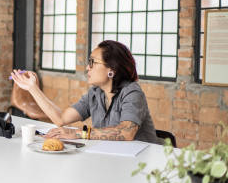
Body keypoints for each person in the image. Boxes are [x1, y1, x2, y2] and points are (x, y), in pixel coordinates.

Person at [11, 40, 159, 143]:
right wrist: (32, 88)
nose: (88, 68)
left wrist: (78, 133)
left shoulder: (132, 92)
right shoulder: (95, 93)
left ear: (111, 69)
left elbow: (127, 132)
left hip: (144, 164)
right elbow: (61, 119)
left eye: (92, 62)